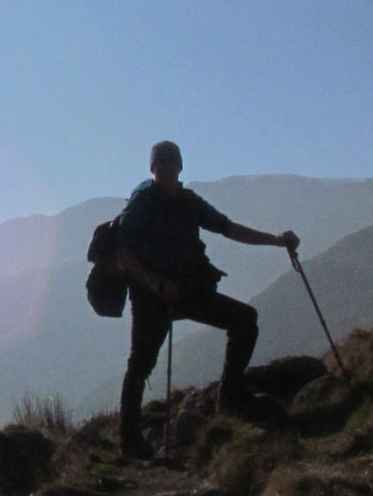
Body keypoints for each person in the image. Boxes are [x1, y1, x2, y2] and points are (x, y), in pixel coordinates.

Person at [108, 140, 298, 457]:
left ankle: (231, 398)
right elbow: (122, 252)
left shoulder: (189, 202)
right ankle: (130, 440)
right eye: (162, 163)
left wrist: (277, 242)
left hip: (184, 290)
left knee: (244, 320)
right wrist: (155, 283)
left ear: (180, 166)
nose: (168, 168)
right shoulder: (143, 203)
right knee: (140, 364)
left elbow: (228, 228)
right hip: (152, 296)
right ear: (153, 168)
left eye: (172, 162)